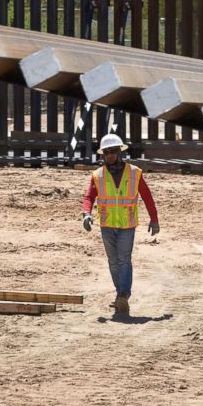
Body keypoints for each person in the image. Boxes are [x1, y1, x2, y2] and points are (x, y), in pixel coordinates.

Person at [81, 133, 160, 314]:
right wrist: (86, 214)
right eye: (107, 152)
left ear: (119, 152)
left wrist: (154, 219)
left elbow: (147, 197)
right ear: (103, 155)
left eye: (113, 151)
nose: (110, 155)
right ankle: (120, 294)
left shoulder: (134, 173)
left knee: (124, 259)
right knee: (113, 261)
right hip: (107, 224)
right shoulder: (97, 175)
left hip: (127, 225)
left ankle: (124, 294)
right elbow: (89, 197)